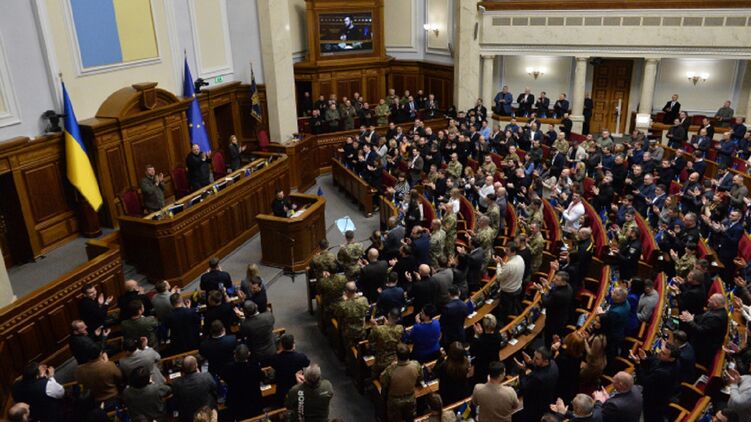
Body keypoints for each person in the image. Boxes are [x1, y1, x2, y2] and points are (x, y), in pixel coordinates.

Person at [631, 344, 680, 422]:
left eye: (663, 353)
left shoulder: (663, 373)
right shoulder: (674, 362)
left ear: (671, 358)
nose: (660, 353)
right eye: (661, 351)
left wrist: (637, 364)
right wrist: (645, 359)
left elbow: (643, 381)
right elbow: (657, 363)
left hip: (654, 401)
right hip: (661, 394)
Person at [679, 293, 729, 366]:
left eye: (711, 300)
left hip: (702, 350)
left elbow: (700, 331)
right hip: (700, 340)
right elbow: (704, 317)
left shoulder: (716, 318)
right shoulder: (717, 310)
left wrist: (690, 321)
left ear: (716, 304)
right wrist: (693, 317)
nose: (708, 300)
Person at [220, 344, 265, 420]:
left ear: (235, 355)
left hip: (236, 403)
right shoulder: (255, 367)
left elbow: (223, 379)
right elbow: (262, 377)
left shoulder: (228, 368)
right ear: (249, 354)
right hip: (254, 401)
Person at [380, 343, 423, 422]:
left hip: (395, 401)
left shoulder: (391, 370)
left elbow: (382, 380)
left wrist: (391, 366)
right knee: (410, 419)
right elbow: (420, 378)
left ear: (396, 356)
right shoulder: (416, 365)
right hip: (410, 398)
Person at [516, 347, 560, 421]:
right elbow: (540, 369)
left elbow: (524, 386)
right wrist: (530, 363)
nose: (533, 359)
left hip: (535, 405)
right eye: (534, 356)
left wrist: (522, 371)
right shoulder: (553, 363)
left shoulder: (538, 378)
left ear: (545, 361)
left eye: (537, 358)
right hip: (547, 398)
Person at [268, 334, 311, 406]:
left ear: (281, 345)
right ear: (293, 344)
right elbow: (307, 363)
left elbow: (272, 363)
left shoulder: (275, 358)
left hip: (282, 386)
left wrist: (279, 352)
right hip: (297, 385)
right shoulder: (300, 357)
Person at [171, 355, 217, 422]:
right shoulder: (206, 376)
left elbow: (176, 401)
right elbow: (215, 391)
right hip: (206, 413)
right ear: (196, 365)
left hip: (187, 416)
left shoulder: (176, 383)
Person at [539, 271, 574, 347]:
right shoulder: (569, 287)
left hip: (553, 321)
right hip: (562, 317)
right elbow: (555, 291)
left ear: (563, 282)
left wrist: (541, 291)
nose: (554, 280)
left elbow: (545, 303)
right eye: (555, 278)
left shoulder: (558, 295)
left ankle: (547, 349)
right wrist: (548, 286)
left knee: (549, 338)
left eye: (557, 280)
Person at [369, 308, 406, 377]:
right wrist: (386, 325)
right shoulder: (400, 328)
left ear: (388, 314)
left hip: (381, 361)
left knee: (374, 373)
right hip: (395, 359)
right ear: (398, 319)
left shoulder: (378, 329)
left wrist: (374, 326)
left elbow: (370, 340)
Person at [333, 281, 370, 348]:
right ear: (356, 289)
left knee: (349, 348)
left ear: (346, 291)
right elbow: (367, 309)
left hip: (348, 333)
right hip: (361, 330)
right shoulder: (364, 300)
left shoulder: (343, 305)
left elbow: (337, 313)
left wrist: (343, 300)